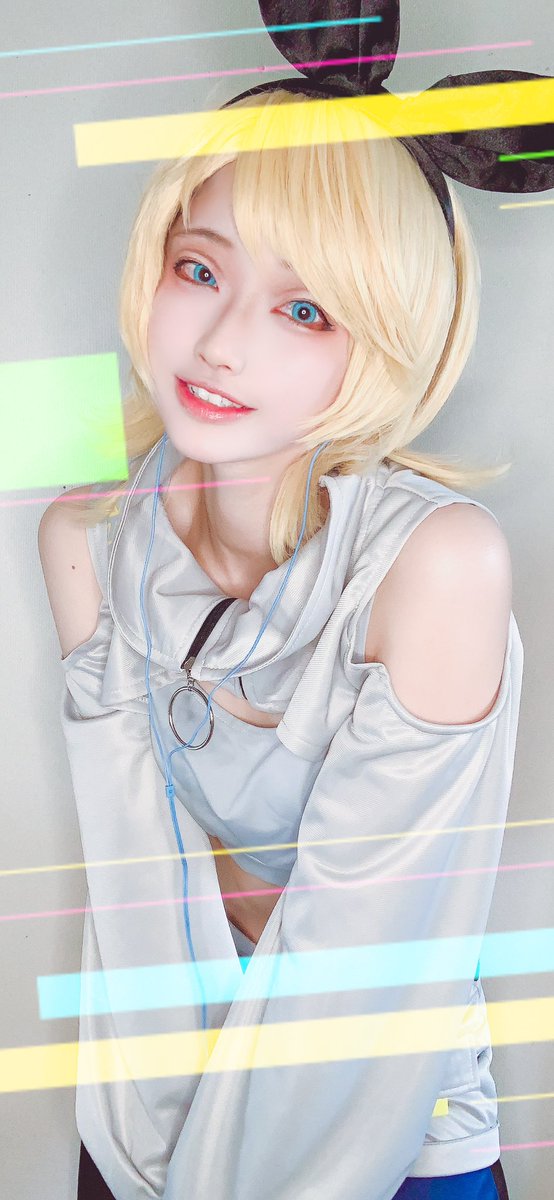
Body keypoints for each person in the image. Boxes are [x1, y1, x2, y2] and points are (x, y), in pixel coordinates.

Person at [38, 40, 547, 1199]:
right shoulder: (89, 541)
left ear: (388, 337)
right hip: (157, 1118)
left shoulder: (435, 566)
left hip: (384, 1133)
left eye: (304, 309)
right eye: (199, 270)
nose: (221, 344)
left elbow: (365, 973)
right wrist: (148, 1166)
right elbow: (136, 899)